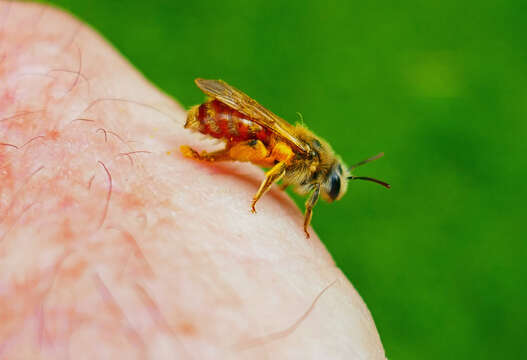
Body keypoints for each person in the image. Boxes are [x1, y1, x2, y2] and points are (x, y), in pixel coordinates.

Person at [0, 2, 386, 358]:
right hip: (241, 126)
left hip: (252, 133)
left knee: (261, 147)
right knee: (258, 143)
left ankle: (209, 156)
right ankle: (209, 156)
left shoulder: (301, 159)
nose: (327, 192)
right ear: (323, 172)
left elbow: (278, 167)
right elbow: (273, 164)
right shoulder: (302, 157)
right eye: (331, 186)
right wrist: (267, 199)